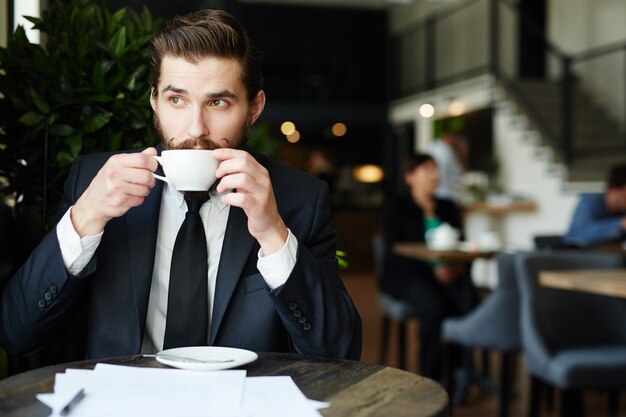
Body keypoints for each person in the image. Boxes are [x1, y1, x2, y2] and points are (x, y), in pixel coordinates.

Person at [0, 9, 361, 361]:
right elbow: (16, 334)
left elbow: (341, 352)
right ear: (154, 102)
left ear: (254, 107)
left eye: (218, 102)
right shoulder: (95, 183)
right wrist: (85, 218)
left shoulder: (300, 199)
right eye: (176, 99)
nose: (195, 129)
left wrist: (273, 234)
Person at [382, 153, 475, 379]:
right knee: (433, 305)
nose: (434, 175)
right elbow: (395, 252)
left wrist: (453, 269)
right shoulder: (398, 207)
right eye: (427, 170)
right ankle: (430, 374)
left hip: (446, 273)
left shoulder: (447, 207)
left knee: (468, 300)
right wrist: (434, 271)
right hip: (406, 275)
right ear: (410, 177)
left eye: (436, 170)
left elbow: (459, 245)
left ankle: (459, 371)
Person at [565, 163, 626, 246]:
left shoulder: (621, 212)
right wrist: (620, 225)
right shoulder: (590, 201)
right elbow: (576, 236)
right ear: (613, 188)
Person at [427, 129, 465, 201]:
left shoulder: (450, 151)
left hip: (448, 193)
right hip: (439, 192)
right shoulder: (435, 147)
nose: (455, 141)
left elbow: (459, 172)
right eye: (454, 138)